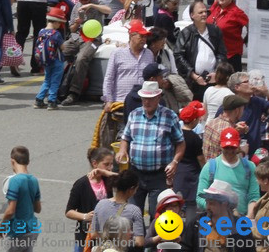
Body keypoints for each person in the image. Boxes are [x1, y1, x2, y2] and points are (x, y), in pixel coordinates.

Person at [116, 80, 185, 217]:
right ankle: (138, 238)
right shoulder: (134, 115)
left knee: (157, 213)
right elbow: (126, 137)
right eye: (144, 99)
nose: (146, 102)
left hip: (159, 175)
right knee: (133, 212)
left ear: (158, 98)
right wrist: (122, 150)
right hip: (136, 173)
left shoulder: (169, 116)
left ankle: (154, 238)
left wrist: (175, 162)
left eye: (150, 99)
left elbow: (180, 143)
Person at [196, 127, 258, 213]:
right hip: (216, 220)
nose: (229, 151)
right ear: (220, 145)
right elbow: (199, 198)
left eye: (232, 147)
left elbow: (254, 196)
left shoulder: (250, 167)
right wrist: (218, 209)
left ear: (238, 145)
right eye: (226, 147)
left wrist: (248, 218)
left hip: (242, 219)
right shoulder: (210, 167)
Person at [65, 148, 116, 252]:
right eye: (106, 164)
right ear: (94, 163)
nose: (110, 168)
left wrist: (109, 174)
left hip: (105, 237)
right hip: (85, 237)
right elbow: (69, 212)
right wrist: (85, 216)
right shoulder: (81, 184)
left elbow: (128, 181)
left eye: (111, 164)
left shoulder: (108, 180)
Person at [174, 1, 227, 100]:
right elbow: (178, 55)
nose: (204, 14)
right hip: (193, 82)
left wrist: (216, 73)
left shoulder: (215, 30)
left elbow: (222, 54)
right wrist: (193, 75)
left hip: (213, 80)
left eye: (205, 12)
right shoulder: (186, 33)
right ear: (192, 15)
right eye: (200, 12)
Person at [102, 20, 154, 112]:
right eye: (141, 36)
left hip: (143, 101)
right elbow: (109, 78)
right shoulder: (117, 53)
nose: (144, 39)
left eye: (145, 37)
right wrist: (108, 100)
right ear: (131, 36)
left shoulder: (149, 54)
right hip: (121, 101)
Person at [88, 169, 145, 249]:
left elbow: (93, 234)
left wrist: (109, 241)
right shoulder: (134, 210)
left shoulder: (101, 204)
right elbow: (139, 242)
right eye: (136, 189)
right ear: (131, 189)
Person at [0, 146, 41, 248]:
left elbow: (10, 211)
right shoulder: (34, 180)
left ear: (12, 161)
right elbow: (38, 209)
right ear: (28, 161)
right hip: (32, 229)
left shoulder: (14, 181)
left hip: (17, 231)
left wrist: (2, 227)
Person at [206, 0, 247, 70]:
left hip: (230, 55)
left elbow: (249, 25)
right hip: (213, 52)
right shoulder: (216, 7)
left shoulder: (236, 12)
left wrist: (245, 39)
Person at [33, 5, 66, 110]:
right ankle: (52, 101)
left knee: (47, 80)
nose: (59, 25)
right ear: (56, 22)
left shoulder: (41, 32)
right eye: (59, 22)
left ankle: (39, 100)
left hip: (46, 61)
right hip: (57, 61)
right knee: (55, 81)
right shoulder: (56, 34)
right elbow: (62, 47)